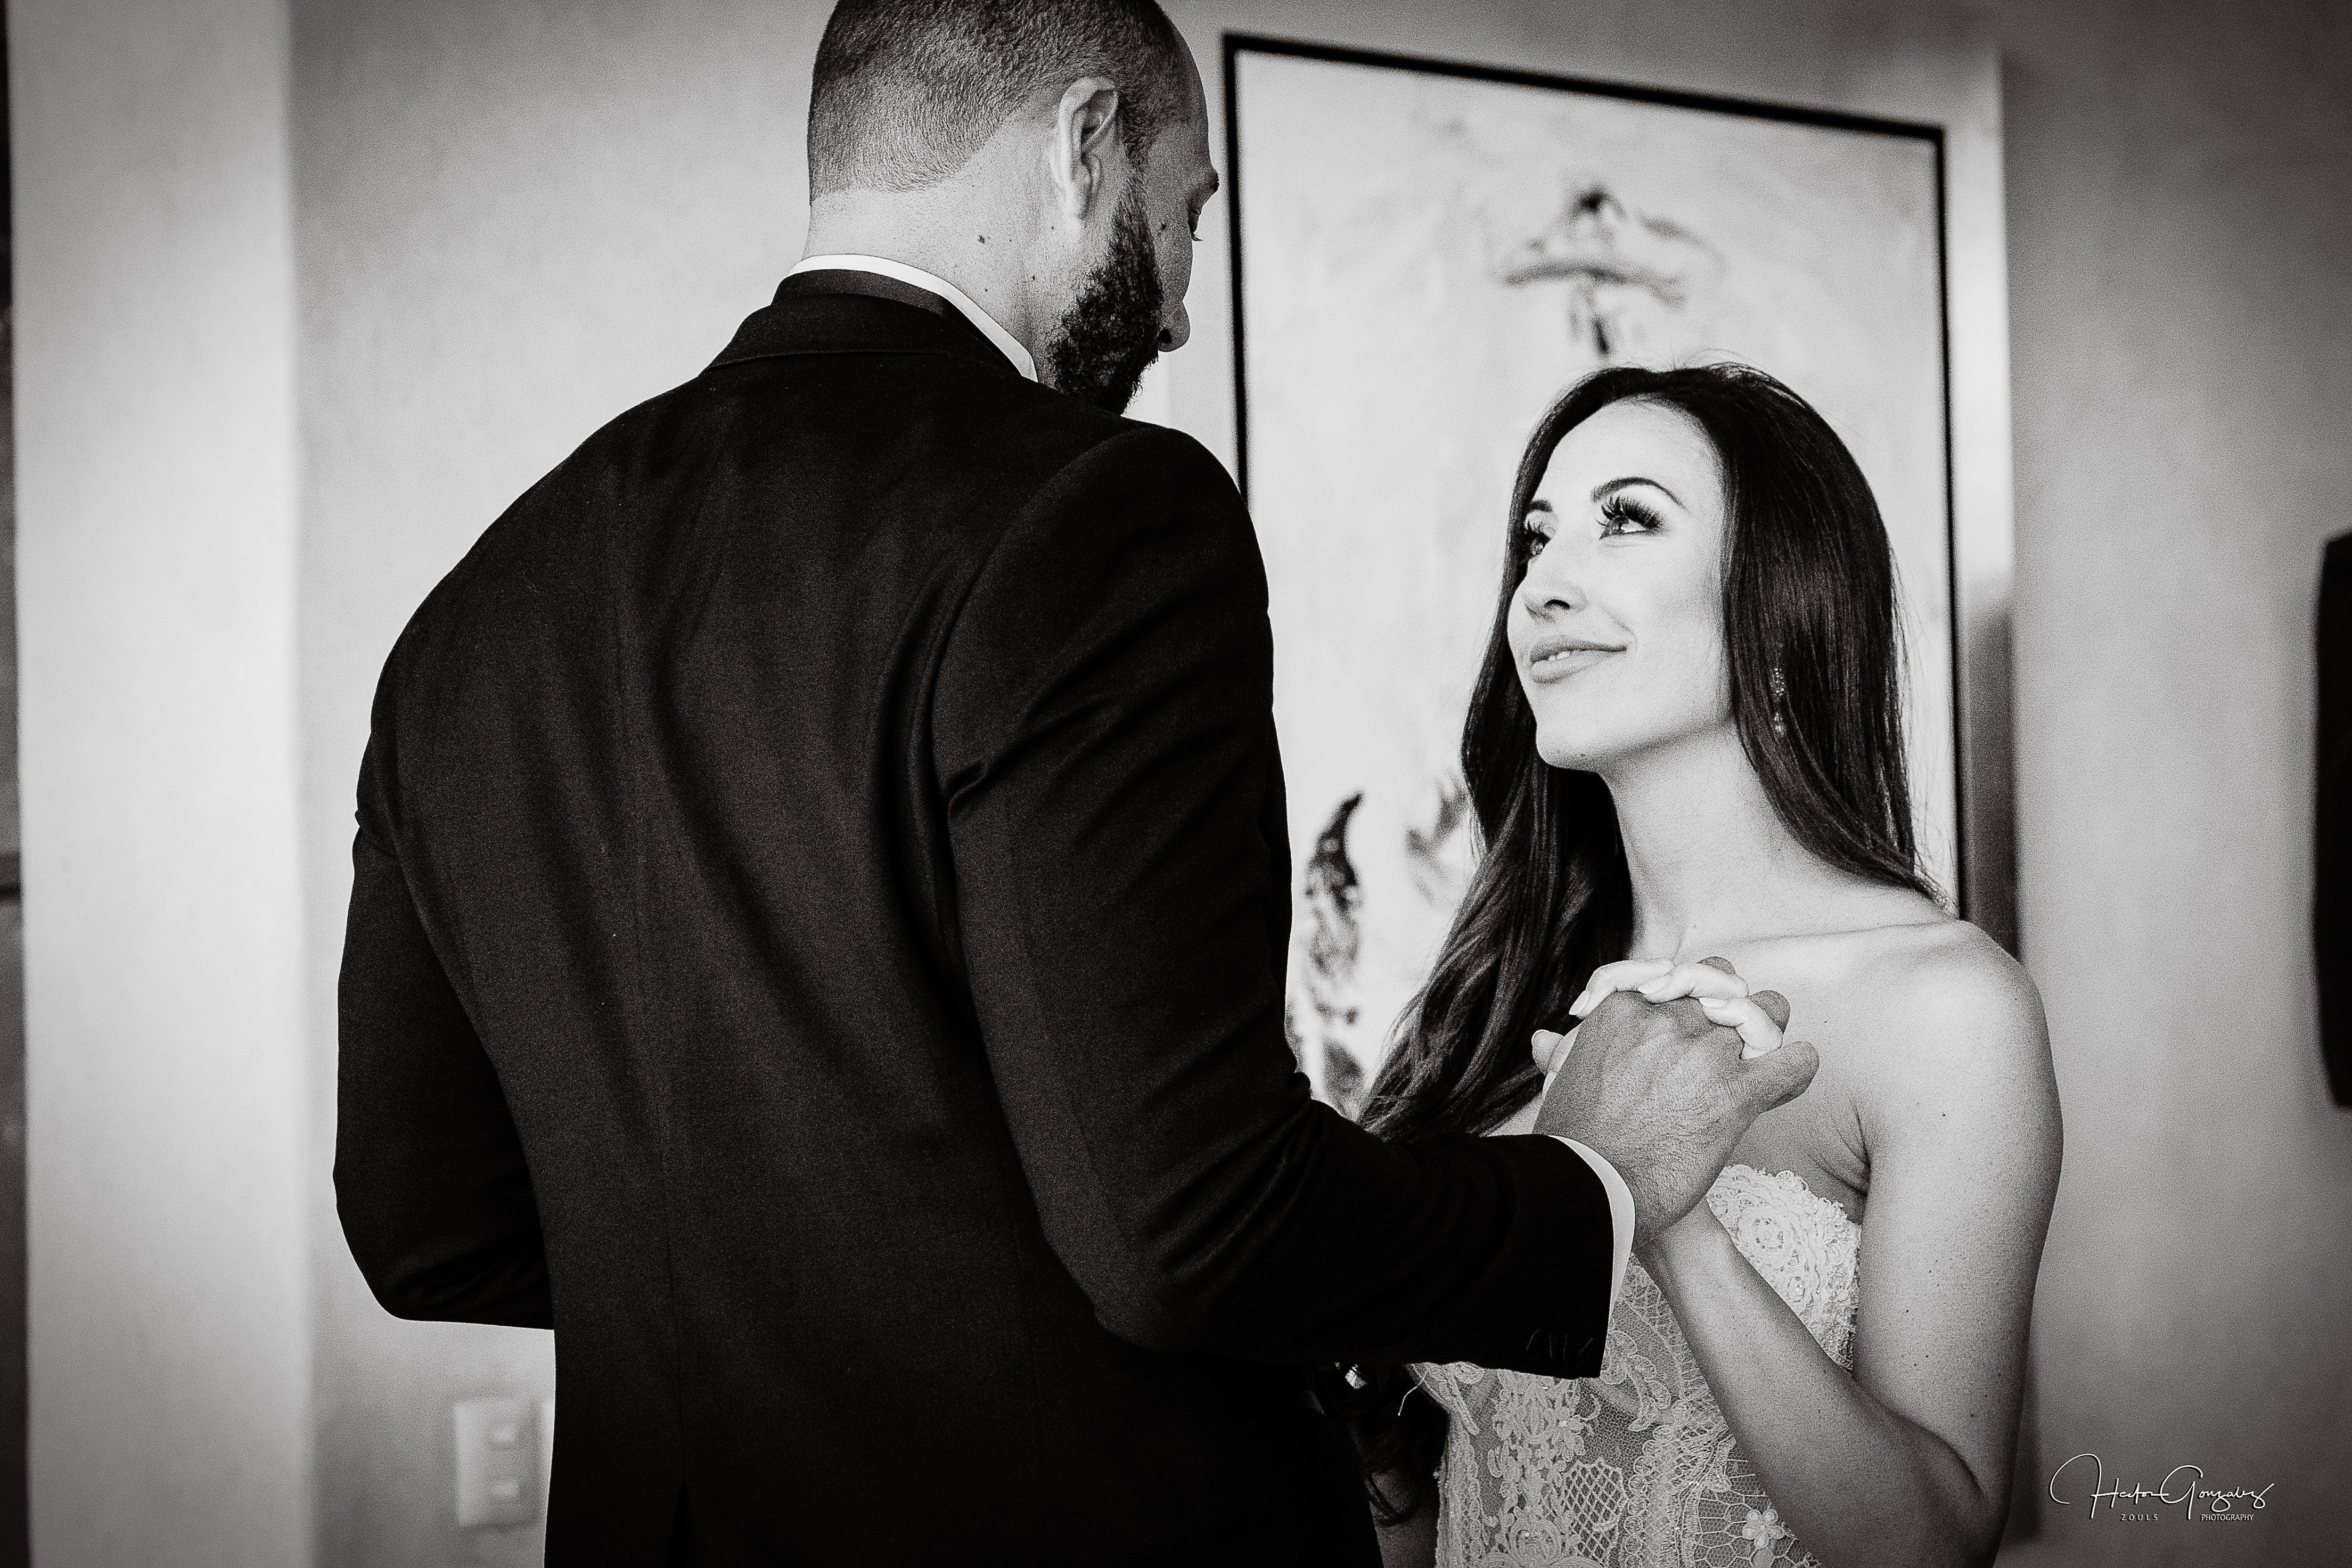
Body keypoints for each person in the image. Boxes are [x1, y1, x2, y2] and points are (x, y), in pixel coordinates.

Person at [331, 5, 1818, 1563]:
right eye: (1186, 216)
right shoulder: (1096, 512)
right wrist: (1591, 1183)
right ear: (1084, 143)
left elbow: (431, 1227)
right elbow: (1188, 1231)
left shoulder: (476, 610)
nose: (1175, 314)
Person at [1331, 364, 2063, 1568]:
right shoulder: (1501, 992)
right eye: (1535, 538)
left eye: (1625, 519)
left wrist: (1662, 1219)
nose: (1542, 584)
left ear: (1781, 606)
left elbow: (1936, 1540)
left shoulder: (1942, 1007)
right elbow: (1424, 1478)